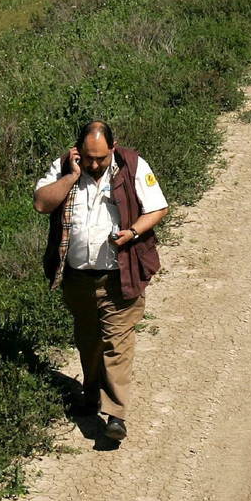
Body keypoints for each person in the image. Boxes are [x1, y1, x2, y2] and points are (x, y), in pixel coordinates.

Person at [33, 120, 168, 442]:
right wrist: (71, 176)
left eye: (101, 158)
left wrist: (133, 232)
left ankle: (116, 414)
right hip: (77, 277)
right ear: (78, 149)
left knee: (117, 343)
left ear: (113, 147)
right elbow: (42, 203)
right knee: (88, 339)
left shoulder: (132, 166)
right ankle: (90, 394)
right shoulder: (64, 168)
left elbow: (158, 207)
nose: (95, 164)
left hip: (119, 275)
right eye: (88, 157)